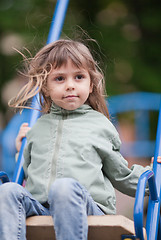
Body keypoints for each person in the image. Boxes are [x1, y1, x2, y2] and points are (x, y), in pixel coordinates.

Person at [0, 39, 151, 240]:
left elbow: (121, 174)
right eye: (60, 79)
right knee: (7, 190)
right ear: (45, 88)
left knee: (63, 187)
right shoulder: (38, 128)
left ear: (90, 85)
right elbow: (30, 174)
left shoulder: (100, 125)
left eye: (79, 77)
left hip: (88, 207)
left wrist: (152, 176)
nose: (70, 85)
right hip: (43, 209)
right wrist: (21, 151)